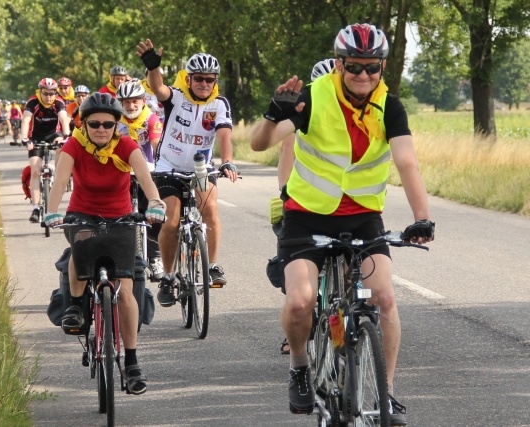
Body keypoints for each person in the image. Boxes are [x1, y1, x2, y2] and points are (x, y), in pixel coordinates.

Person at [250, 23, 435, 425]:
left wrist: (422, 217)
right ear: (340, 63)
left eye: (372, 67)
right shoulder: (313, 98)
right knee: (300, 301)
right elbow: (259, 143)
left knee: (383, 299)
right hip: (307, 216)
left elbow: (407, 162)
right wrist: (272, 115)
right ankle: (300, 365)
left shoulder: (391, 106)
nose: (363, 75)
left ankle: (385, 395)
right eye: (354, 66)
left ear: (382, 66)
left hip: (364, 219)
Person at [44, 92, 166, 395]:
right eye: (94, 123)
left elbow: (145, 177)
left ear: (116, 125)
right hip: (82, 215)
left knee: (124, 284)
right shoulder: (74, 145)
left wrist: (155, 202)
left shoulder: (126, 145)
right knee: (80, 249)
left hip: (120, 217)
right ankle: (74, 306)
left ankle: (133, 362)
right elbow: (60, 181)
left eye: (108, 124)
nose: (101, 129)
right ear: (84, 124)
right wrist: (52, 210)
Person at [136, 39, 240, 307]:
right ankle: (169, 277)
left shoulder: (219, 104)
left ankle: (213, 266)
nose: (204, 84)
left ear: (214, 81)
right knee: (170, 222)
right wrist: (153, 67)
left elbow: (225, 134)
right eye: (198, 79)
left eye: (209, 79)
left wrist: (227, 161)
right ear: (189, 78)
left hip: (200, 167)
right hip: (168, 166)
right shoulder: (177, 97)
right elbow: (158, 88)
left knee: (210, 210)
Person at [275, 58, 337, 356]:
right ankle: (297, 330)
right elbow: (287, 152)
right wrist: (285, 192)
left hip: (342, 206)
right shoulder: (303, 112)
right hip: (304, 202)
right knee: (297, 274)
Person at [116, 79, 164, 281]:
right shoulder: (115, 121)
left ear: (144, 100)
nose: (131, 105)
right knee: (117, 215)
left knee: (153, 214)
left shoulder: (151, 119)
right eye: (126, 102)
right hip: (122, 172)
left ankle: (155, 258)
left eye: (135, 101)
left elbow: (155, 144)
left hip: (148, 172)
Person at [20, 77, 71, 223]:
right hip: (35, 137)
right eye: (45, 93)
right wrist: (24, 138)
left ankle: (56, 170)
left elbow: (63, 119)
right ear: (39, 92)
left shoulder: (58, 102)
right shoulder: (32, 102)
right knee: (35, 170)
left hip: (54, 134)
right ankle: (36, 207)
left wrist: (66, 135)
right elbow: (26, 120)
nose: (48, 97)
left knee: (62, 145)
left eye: (51, 93)